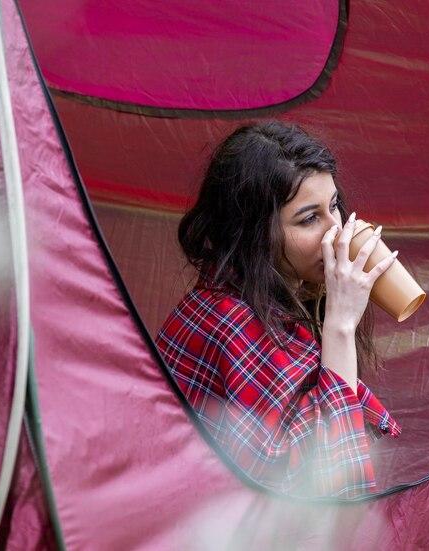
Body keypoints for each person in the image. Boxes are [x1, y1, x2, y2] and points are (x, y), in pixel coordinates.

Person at [155, 120, 402, 498]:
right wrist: (340, 325)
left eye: (334, 206)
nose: (337, 232)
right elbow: (330, 486)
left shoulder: (264, 293)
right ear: (256, 234)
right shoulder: (231, 320)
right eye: (309, 218)